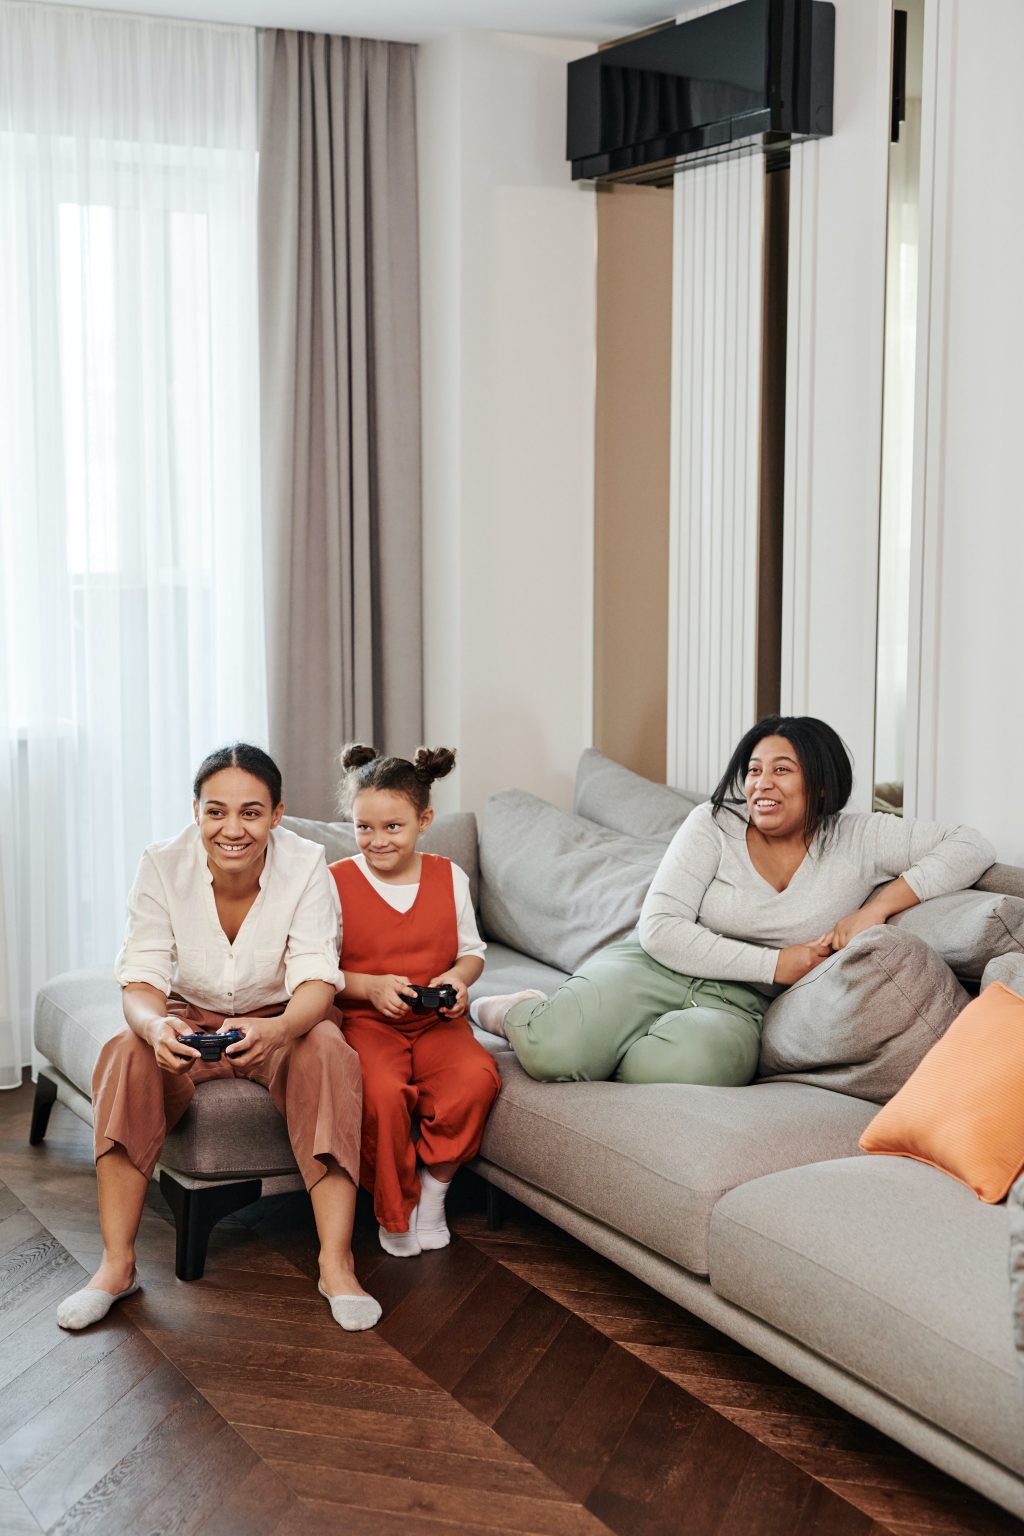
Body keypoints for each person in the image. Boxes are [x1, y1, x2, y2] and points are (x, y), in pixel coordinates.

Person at [472, 716, 995, 1086]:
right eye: (753, 770)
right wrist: (775, 963)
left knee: (699, 1065)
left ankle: (599, 1035)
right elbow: (660, 928)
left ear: (820, 781)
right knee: (552, 1053)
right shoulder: (713, 824)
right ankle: (523, 1013)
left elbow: (970, 845)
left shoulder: (859, 837)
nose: (761, 784)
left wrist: (876, 907)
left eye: (782, 769)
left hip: (737, 1004)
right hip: (656, 967)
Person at [57, 743, 380, 1333]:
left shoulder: (308, 864)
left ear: (277, 814)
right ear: (197, 810)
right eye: (216, 811)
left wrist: (280, 1027)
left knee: (330, 1049)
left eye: (251, 812)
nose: (233, 829)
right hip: (187, 1013)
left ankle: (336, 1264)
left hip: (281, 1014)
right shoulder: (161, 862)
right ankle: (116, 1266)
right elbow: (141, 977)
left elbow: (316, 976)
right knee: (125, 1051)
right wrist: (156, 1027)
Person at [330, 744, 501, 1257]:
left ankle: (434, 1191)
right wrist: (370, 987)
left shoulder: (449, 876)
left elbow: (473, 953)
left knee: (475, 1080)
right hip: (366, 1023)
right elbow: (317, 970)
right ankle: (395, 1209)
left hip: (436, 1023)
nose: (376, 841)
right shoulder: (335, 881)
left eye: (392, 827)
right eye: (364, 827)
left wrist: (457, 979)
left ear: (424, 819)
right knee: (380, 1095)